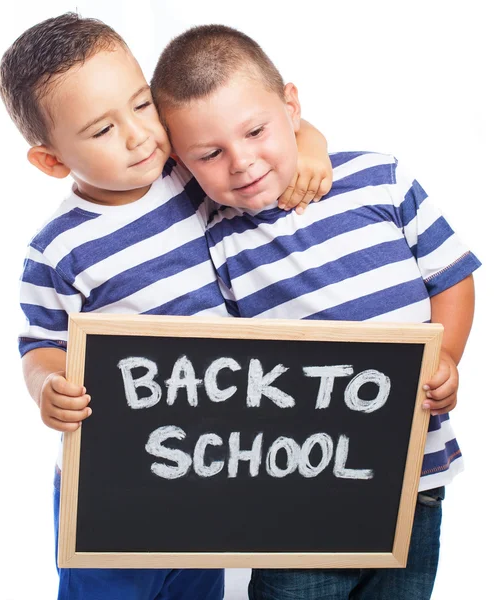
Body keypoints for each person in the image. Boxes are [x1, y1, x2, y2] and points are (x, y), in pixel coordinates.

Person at [0, 13, 332, 600]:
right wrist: (48, 384)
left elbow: (256, 135)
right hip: (112, 478)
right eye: (102, 130)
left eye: (143, 105)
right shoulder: (58, 249)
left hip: (203, 464)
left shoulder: (190, 175)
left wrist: (310, 141)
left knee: (197, 590)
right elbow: (40, 344)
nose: (139, 136)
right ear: (52, 160)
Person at [151, 24, 481, 600]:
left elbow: (451, 276)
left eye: (257, 131)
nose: (243, 162)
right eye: (210, 153)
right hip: (297, 496)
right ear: (183, 161)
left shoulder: (381, 179)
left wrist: (447, 354)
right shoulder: (210, 234)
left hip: (412, 477)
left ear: (292, 105)